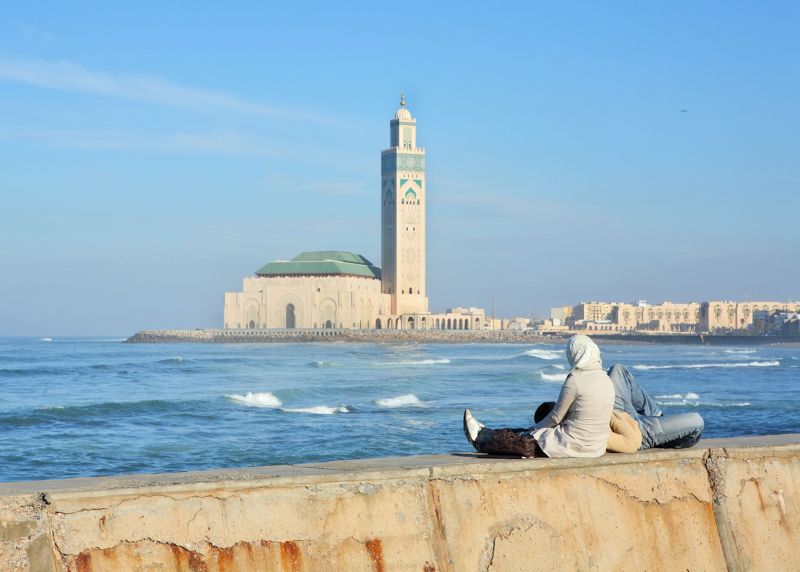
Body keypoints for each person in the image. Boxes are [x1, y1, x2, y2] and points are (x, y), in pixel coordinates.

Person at [463, 334, 615, 458]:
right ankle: (486, 433)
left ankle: (480, 439)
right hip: (596, 447)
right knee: (530, 433)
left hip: (574, 445)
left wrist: (533, 430)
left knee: (524, 443)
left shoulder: (575, 380)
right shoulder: (606, 379)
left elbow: (556, 417)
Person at [606, 364, 704, 449]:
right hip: (634, 431)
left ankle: (657, 417)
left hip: (618, 413)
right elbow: (630, 444)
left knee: (618, 369)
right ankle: (664, 438)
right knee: (696, 421)